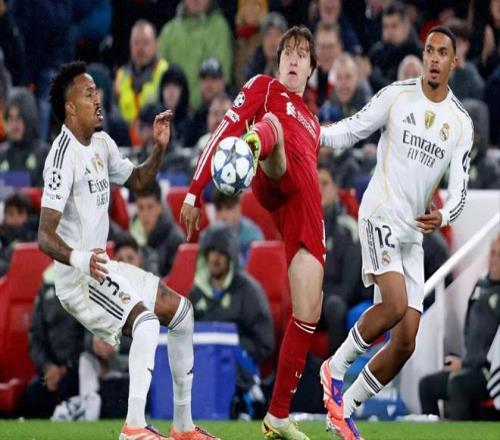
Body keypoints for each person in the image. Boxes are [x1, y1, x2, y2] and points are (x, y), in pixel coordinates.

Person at [38, 61, 218, 440]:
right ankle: (134, 427)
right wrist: (81, 259)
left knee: (181, 313)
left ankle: (183, 428)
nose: (97, 99)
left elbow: (137, 179)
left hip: (101, 267)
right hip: (78, 278)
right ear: (70, 107)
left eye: (97, 92)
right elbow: (44, 235)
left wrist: (159, 148)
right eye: (88, 94)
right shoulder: (61, 155)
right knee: (146, 323)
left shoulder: (102, 143)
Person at [320, 26, 474, 439]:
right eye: (429, 51)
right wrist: (315, 134)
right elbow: (354, 128)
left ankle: (343, 409)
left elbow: (460, 190)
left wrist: (443, 218)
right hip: (380, 212)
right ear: (423, 57)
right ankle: (333, 368)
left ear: (454, 62)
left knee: (405, 341)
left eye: (442, 53)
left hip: (413, 232)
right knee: (392, 305)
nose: (435, 59)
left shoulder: (460, 123)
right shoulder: (397, 95)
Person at [181, 25, 323, 440]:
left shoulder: (314, 123)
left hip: (303, 212)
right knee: (273, 127)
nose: (294, 59)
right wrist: (193, 192)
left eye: (302, 54)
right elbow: (222, 129)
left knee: (307, 315)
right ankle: (252, 146)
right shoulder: (265, 87)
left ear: (311, 68)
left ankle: (277, 416)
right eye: (288, 52)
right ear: (277, 62)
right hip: (270, 170)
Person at [189, 223, 274, 418]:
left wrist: (229, 347)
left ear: (231, 256)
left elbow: (265, 341)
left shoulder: (248, 291)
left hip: (241, 361)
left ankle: (249, 399)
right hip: (204, 364)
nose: (216, 258)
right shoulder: (197, 293)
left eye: (221, 252)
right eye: (211, 252)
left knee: (227, 349)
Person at [419, 234, 500, 420]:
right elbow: (470, 332)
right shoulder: (480, 287)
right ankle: (431, 432)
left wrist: (464, 365)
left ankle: (461, 433)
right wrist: (464, 362)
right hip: (471, 366)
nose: (494, 260)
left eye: (499, 256)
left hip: (490, 371)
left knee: (458, 384)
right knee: (427, 385)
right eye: (493, 253)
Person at [21, 263, 84, 419]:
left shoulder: (88, 281)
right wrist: (48, 367)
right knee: (35, 391)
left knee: (67, 386)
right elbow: (35, 337)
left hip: (79, 369)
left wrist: (67, 368)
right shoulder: (47, 285)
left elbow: (91, 337)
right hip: (50, 372)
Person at [114, 19, 168, 125]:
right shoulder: (121, 75)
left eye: (145, 42)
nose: (140, 48)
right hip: (125, 133)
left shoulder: (165, 72)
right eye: (136, 43)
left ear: (156, 45)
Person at [130, 181, 185, 277]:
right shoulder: (131, 235)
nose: (145, 214)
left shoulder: (176, 240)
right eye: (140, 207)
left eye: (150, 207)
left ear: (160, 207)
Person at [0, 87, 50, 186]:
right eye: (10, 118)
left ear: (29, 118)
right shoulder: (2, 153)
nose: (14, 125)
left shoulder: (45, 154)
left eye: (19, 118)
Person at [213, 190, 264, 263]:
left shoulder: (252, 236)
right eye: (219, 209)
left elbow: (253, 265)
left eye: (229, 208)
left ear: (238, 208)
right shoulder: (209, 235)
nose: (223, 216)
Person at [0, 192, 37, 276]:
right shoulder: (2, 239)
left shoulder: (35, 241)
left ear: (28, 215)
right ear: (5, 216)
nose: (15, 218)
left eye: (20, 213)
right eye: (11, 213)